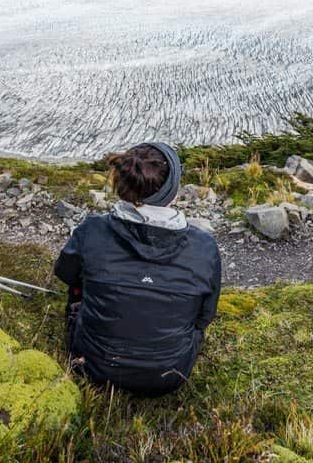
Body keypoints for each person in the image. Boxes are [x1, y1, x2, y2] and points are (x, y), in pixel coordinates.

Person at [54, 142, 222, 396]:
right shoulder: (204, 247)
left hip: (93, 367)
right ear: (172, 192)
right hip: (169, 374)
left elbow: (65, 273)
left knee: (80, 286)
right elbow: (204, 317)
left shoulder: (92, 231)